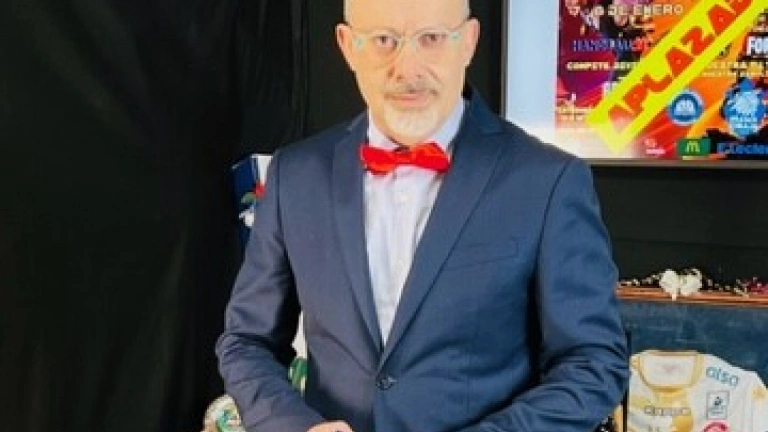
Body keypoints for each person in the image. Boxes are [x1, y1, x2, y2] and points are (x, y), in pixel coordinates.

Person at [216, 0, 629, 431]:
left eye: (431, 39)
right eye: (384, 40)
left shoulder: (548, 180)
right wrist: (295, 426)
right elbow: (247, 342)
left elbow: (593, 363)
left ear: (468, 42)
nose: (407, 68)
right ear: (347, 46)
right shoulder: (295, 175)